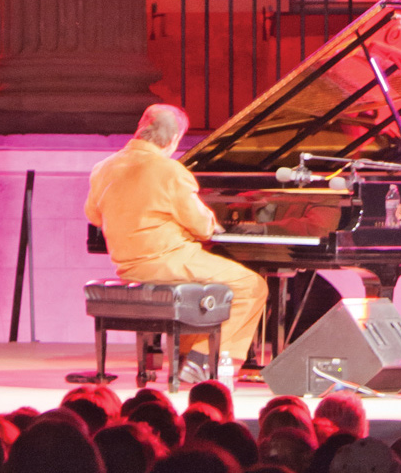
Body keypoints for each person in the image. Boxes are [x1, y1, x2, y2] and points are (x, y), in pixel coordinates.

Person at [85, 104, 267, 383]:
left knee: (202, 288)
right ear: (174, 139)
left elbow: (94, 215)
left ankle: (184, 357)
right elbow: (202, 227)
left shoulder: (103, 168)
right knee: (252, 285)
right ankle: (205, 360)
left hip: (128, 268)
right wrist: (212, 222)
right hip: (167, 262)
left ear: (141, 127)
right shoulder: (170, 171)